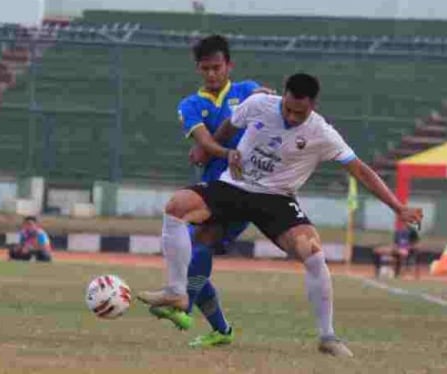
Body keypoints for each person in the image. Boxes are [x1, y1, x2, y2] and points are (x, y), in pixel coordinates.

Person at [138, 73, 423, 357]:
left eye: (299, 113)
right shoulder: (259, 103)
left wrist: (398, 207)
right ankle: (176, 291)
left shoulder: (322, 133)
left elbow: (361, 170)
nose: (290, 116)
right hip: (234, 186)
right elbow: (229, 126)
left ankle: (327, 337)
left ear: (312, 106)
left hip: (277, 198)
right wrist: (208, 148)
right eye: (286, 108)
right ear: (283, 96)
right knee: (176, 206)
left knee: (312, 251)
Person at [150, 34, 274, 348]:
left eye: (217, 67)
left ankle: (185, 304)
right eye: (205, 68)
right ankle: (220, 330)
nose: (212, 74)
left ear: (229, 65)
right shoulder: (191, 104)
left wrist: (267, 99)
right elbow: (203, 142)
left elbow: (275, 111)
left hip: (246, 189)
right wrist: (221, 152)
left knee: (200, 245)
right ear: (198, 69)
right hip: (212, 191)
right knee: (192, 253)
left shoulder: (247, 91)